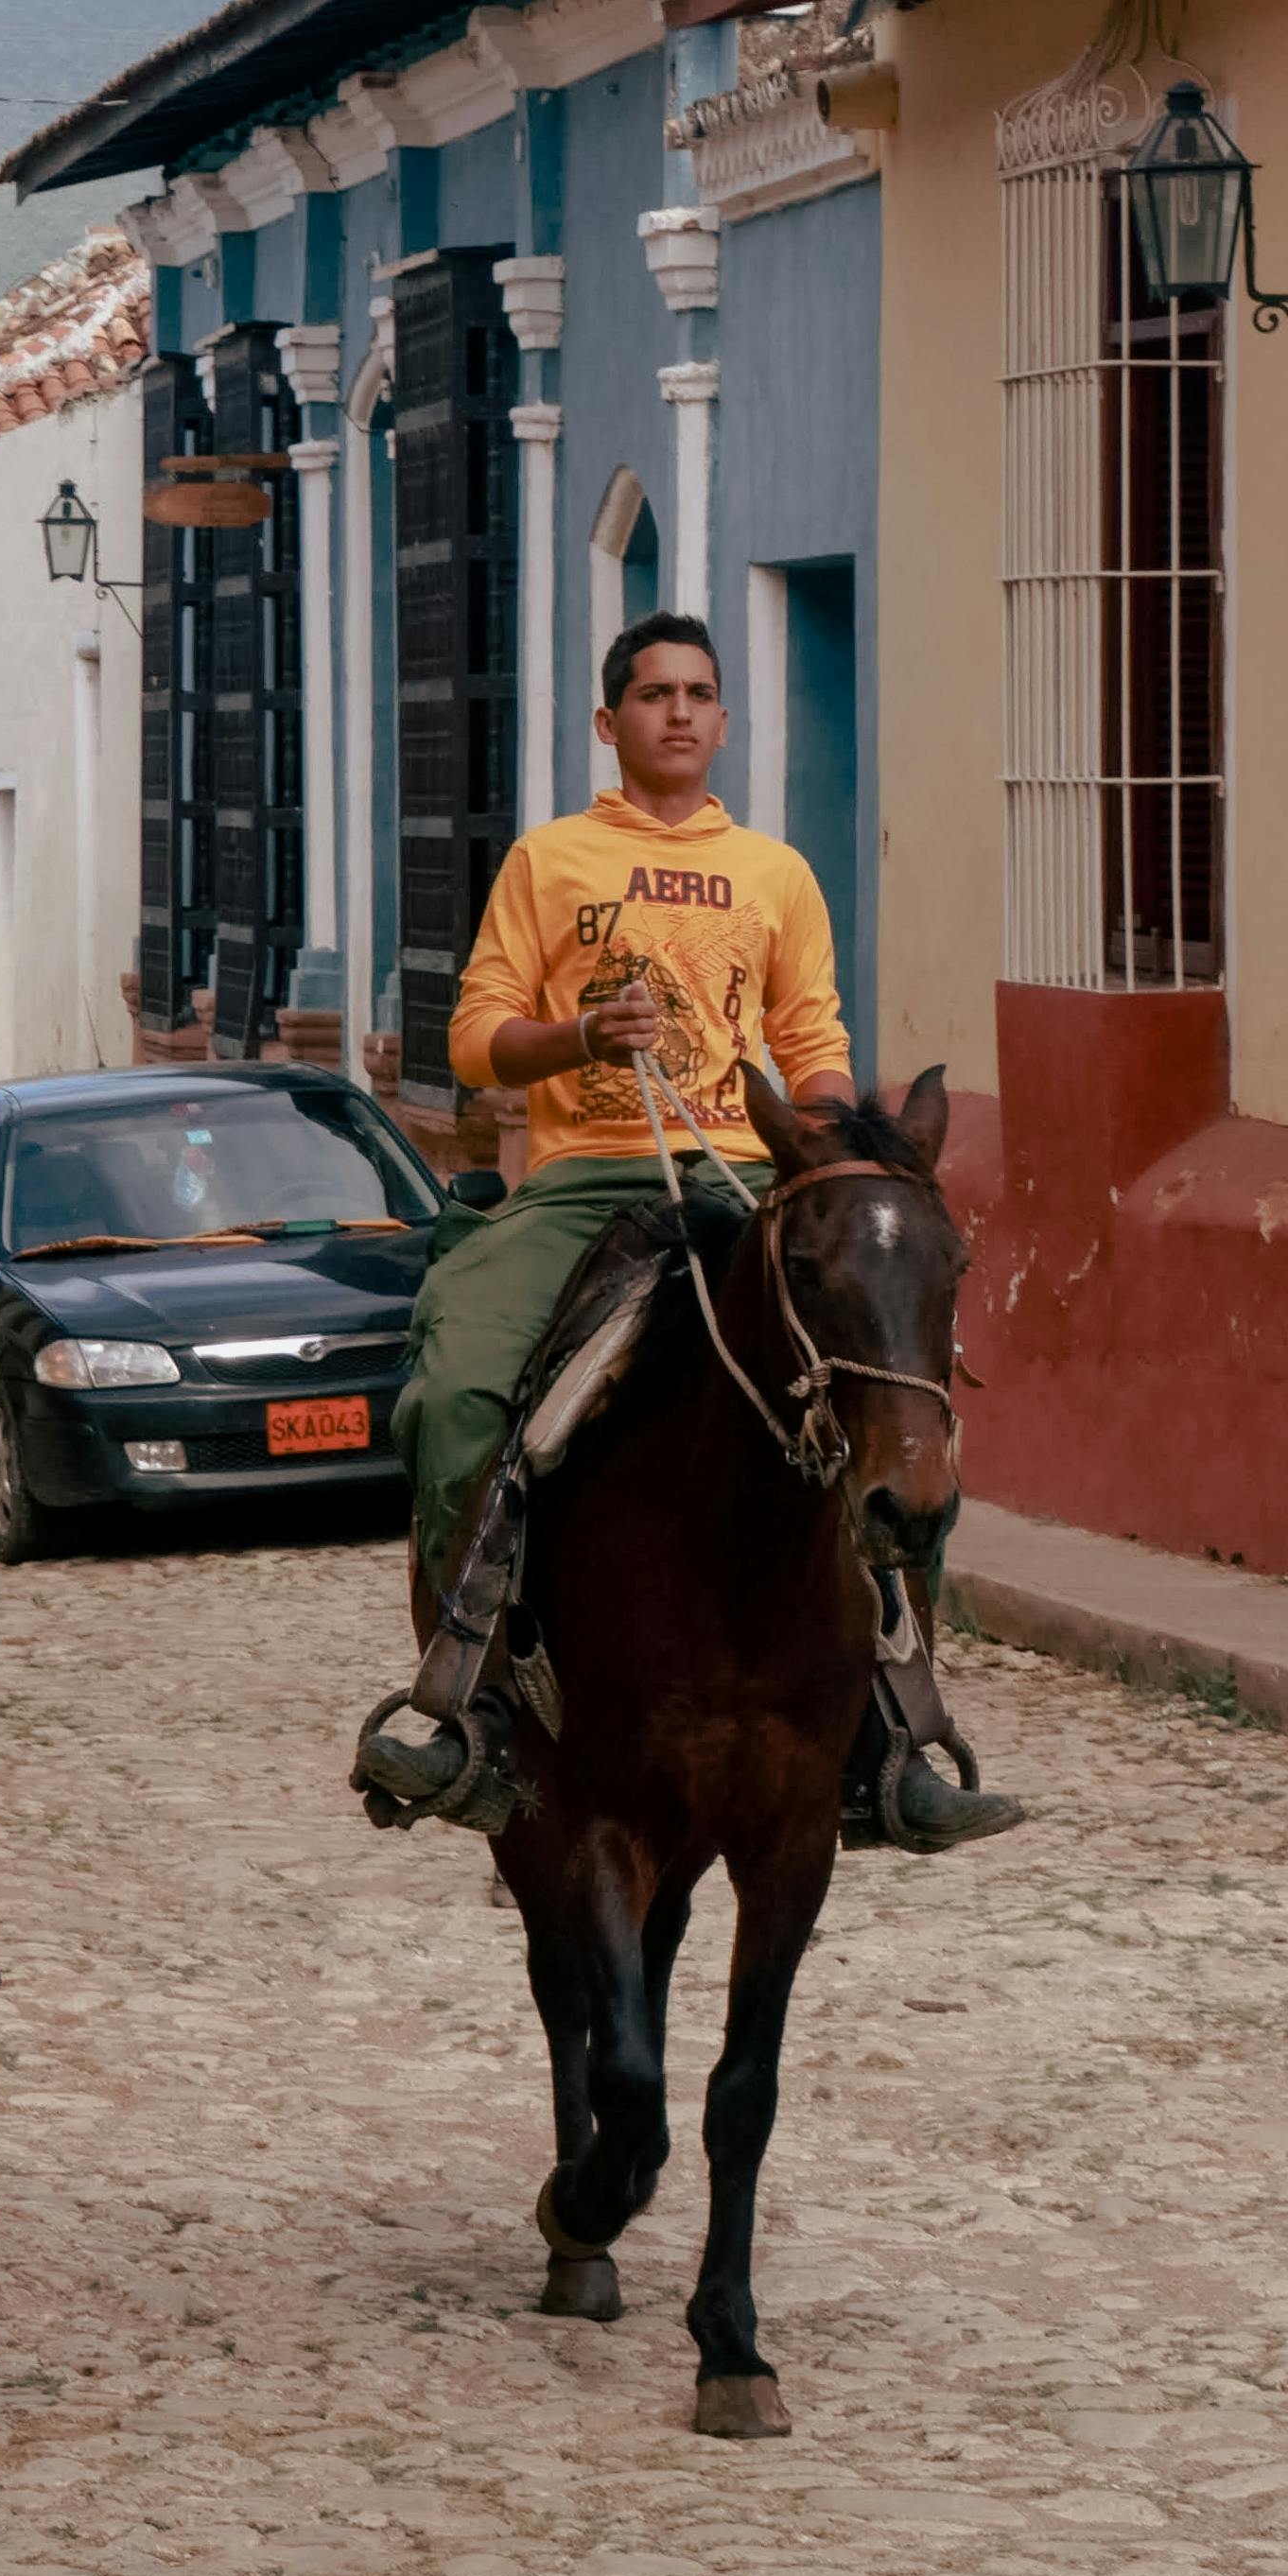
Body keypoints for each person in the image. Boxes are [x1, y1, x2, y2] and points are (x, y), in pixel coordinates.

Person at [364, 606, 1020, 1852]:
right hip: (583, 1186)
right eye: (654, 693)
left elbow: (812, 1044)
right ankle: (465, 1702)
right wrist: (576, 1039)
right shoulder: (550, 863)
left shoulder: (776, 874)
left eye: (699, 693)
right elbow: (472, 1037)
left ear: (724, 720)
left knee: (887, 1406)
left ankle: (894, 1735)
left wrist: (833, 1160)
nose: (679, 711)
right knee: (456, 1400)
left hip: (739, 1184)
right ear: (612, 724)